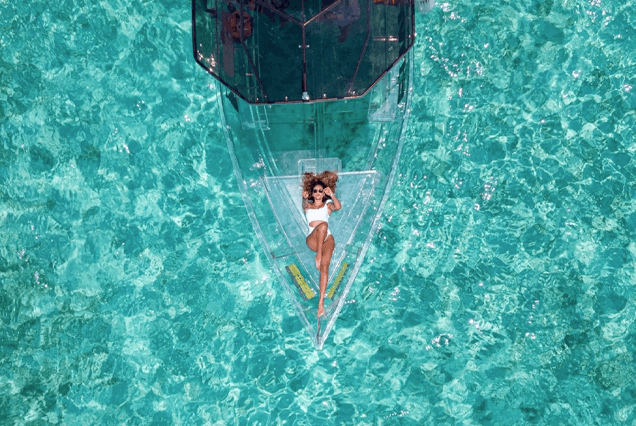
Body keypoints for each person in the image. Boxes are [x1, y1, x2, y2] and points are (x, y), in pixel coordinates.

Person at [301, 171, 341, 318]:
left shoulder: (328, 206)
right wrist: (303, 196)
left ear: (324, 193)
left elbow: (338, 206)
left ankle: (321, 303)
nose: (317, 193)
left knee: (325, 267)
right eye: (315, 191)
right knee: (323, 225)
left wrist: (332, 195)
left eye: (320, 191)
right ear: (312, 193)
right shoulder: (308, 206)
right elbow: (303, 201)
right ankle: (318, 255)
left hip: (327, 239)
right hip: (312, 239)